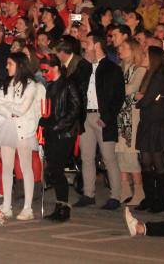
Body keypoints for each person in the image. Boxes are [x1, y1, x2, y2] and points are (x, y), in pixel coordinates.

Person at [0, 53, 46, 220]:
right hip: (8, 126)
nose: (6, 67)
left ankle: (27, 208)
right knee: (7, 167)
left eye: (10, 63)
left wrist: (7, 107)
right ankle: (7, 205)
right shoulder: (6, 84)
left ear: (20, 65)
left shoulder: (32, 86)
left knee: (25, 166)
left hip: (25, 129)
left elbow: (23, 109)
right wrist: (10, 109)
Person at [74, 34, 125, 210]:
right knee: (86, 157)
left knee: (109, 158)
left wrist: (108, 117)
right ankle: (88, 194)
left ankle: (115, 196)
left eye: (87, 43)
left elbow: (118, 97)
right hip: (86, 116)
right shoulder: (85, 66)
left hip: (102, 117)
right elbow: (74, 85)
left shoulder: (112, 68)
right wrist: (84, 64)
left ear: (96, 45)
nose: (84, 46)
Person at [39, 53, 83, 222]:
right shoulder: (50, 86)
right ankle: (60, 205)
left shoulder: (68, 83)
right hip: (51, 131)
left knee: (56, 168)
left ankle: (63, 207)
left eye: (46, 70)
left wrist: (58, 126)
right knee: (54, 169)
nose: (44, 74)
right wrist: (44, 122)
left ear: (56, 68)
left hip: (64, 133)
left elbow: (75, 109)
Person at [135, 46, 164, 213]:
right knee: (146, 161)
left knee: (157, 161)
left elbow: (146, 99)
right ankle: (150, 197)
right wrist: (141, 98)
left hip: (157, 123)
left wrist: (139, 99)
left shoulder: (158, 76)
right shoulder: (150, 75)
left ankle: (160, 200)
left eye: (146, 54)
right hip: (148, 121)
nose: (143, 56)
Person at [116, 39, 147, 206]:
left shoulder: (140, 69)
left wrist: (114, 89)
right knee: (119, 153)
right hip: (119, 116)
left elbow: (131, 88)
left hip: (132, 116)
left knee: (131, 154)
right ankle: (125, 188)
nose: (120, 49)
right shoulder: (120, 68)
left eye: (124, 46)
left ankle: (139, 190)